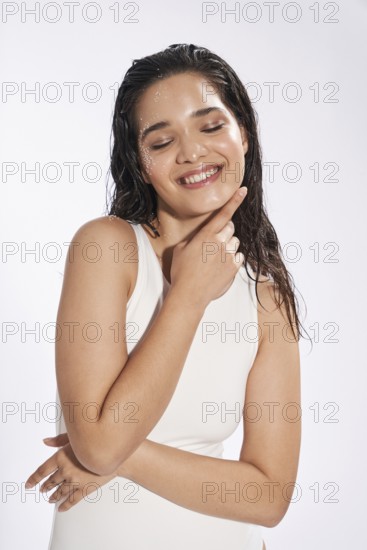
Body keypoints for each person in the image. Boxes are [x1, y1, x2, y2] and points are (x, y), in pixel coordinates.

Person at [25, 43, 305, 550]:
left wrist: (119, 458)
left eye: (211, 125)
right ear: (139, 161)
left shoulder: (267, 298)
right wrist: (187, 297)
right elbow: (100, 441)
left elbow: (269, 498)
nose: (192, 152)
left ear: (245, 133)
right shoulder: (106, 248)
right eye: (161, 141)